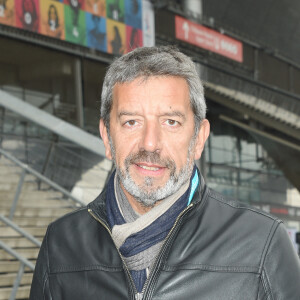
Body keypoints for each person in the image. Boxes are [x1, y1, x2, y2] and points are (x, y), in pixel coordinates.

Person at [29, 46, 300, 299]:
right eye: (131, 122)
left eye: (170, 122)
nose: (150, 143)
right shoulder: (61, 245)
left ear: (199, 139)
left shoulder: (261, 245)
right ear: (107, 136)